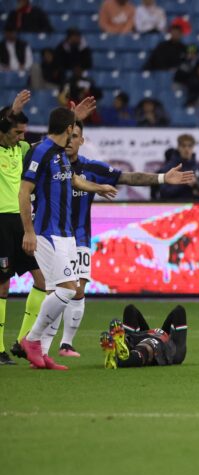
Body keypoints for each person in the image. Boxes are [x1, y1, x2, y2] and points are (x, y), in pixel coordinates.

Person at [47, 120, 194, 358]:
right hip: (52, 235)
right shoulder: (50, 164)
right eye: (68, 135)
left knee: (78, 290)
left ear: (82, 141)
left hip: (80, 237)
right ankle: (39, 344)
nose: (70, 140)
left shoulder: (90, 167)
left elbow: (128, 177)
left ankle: (66, 344)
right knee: (54, 291)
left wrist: (162, 178)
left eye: (75, 136)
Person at [17, 107, 117, 371]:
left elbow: (74, 180)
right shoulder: (41, 151)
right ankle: (31, 340)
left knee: (58, 292)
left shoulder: (61, 154)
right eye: (73, 128)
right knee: (68, 290)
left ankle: (41, 353)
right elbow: (24, 192)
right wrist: (28, 231)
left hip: (66, 235)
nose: (75, 134)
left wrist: (99, 187)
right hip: (46, 232)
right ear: (68, 129)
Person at [0, 93, 45, 365]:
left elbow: (47, 145)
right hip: (0, 222)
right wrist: (11, 112)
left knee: (42, 280)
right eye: (17, 132)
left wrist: (72, 121)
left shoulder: (22, 148)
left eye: (23, 133)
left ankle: (22, 341)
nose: (21, 137)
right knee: (2, 285)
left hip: (21, 222)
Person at [100, 304, 188, 368]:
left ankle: (122, 350)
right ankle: (122, 348)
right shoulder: (169, 342)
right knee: (130, 309)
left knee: (148, 346)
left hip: (162, 345)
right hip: (156, 340)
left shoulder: (170, 347)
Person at [156, 133, 199, 200]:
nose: (186, 149)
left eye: (190, 146)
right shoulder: (169, 168)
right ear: (178, 147)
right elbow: (163, 193)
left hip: (194, 205)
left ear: (193, 147)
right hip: (174, 205)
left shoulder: (198, 168)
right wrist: (184, 183)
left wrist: (198, 185)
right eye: (183, 146)